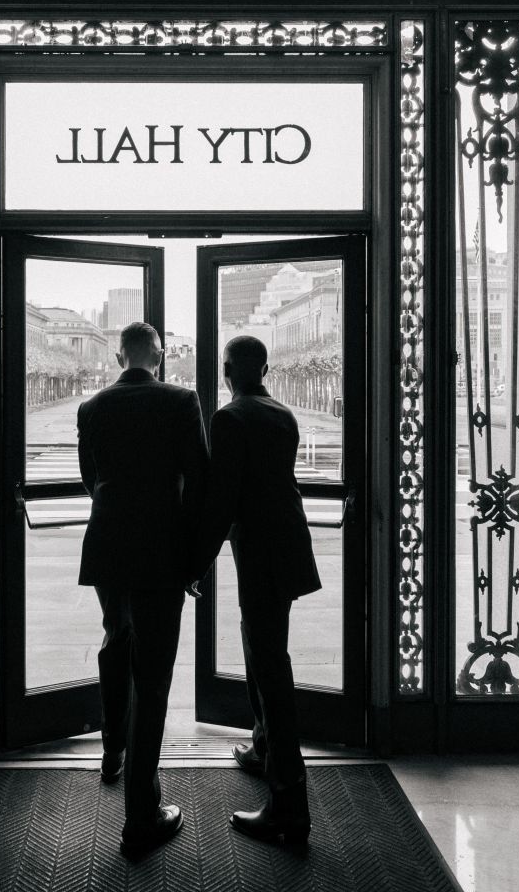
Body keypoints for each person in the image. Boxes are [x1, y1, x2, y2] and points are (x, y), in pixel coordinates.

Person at [77, 321, 208, 858]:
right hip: (160, 553)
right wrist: (194, 561)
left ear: (118, 358)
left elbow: (90, 480)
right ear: (160, 356)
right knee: (153, 678)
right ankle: (141, 814)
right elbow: (198, 478)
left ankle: (113, 750)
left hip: (108, 545)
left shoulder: (93, 408)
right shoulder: (181, 400)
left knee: (116, 641)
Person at [196, 334, 321, 845]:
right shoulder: (282, 413)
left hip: (261, 552)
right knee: (264, 648)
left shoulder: (229, 418)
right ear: (265, 369)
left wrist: (195, 562)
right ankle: (264, 748)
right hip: (289, 545)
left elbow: (223, 500)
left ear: (227, 370)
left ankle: (289, 803)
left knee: (269, 666)